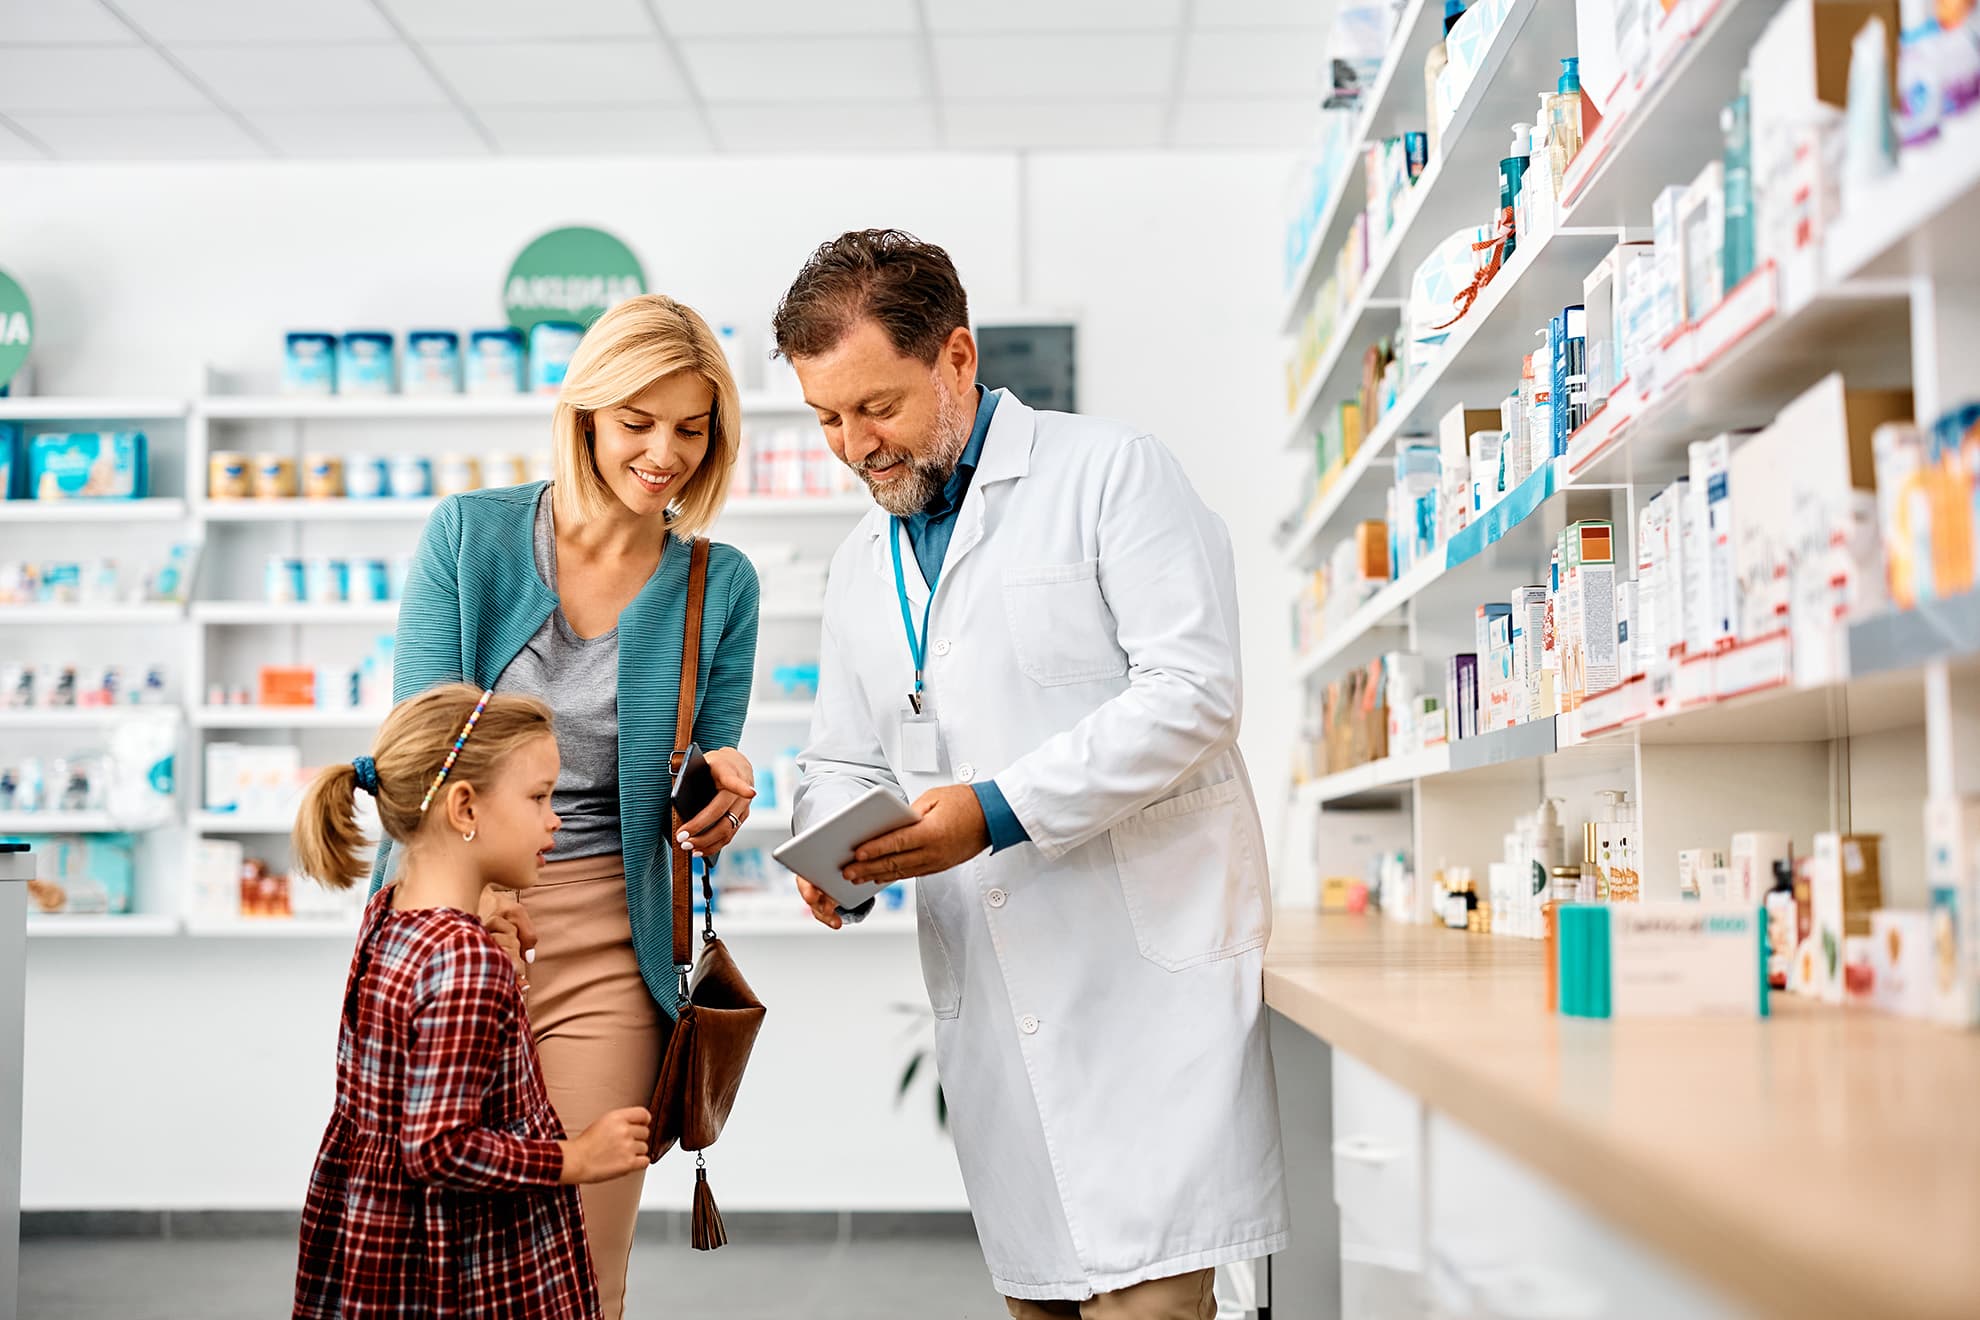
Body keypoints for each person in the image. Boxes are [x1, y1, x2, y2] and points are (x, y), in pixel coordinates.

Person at [775, 230, 1288, 1320]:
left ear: (956, 358)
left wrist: (997, 812)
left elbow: (1194, 692)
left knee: (1150, 1307)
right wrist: (838, 852)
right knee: (1040, 1304)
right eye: (826, 418)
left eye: (877, 407)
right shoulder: (862, 561)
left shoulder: (1111, 472)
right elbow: (842, 753)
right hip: (998, 1004)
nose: (855, 446)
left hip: (1143, 994)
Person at [374, 294, 761, 1318]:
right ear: (585, 414)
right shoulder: (473, 537)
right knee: (436, 1256)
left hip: (607, 939)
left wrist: (721, 795)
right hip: (452, 926)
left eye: (692, 429)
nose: (664, 454)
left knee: (581, 1269)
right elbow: (422, 754)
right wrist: (484, 906)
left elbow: (697, 787)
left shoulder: (719, 584)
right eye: (638, 422)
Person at [292, 685, 652, 1320]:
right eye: (539, 797)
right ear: (465, 807)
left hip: (380, 1236)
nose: (556, 820)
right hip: (462, 1259)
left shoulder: (387, 915)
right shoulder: (466, 959)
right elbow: (438, 1147)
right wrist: (575, 1157)